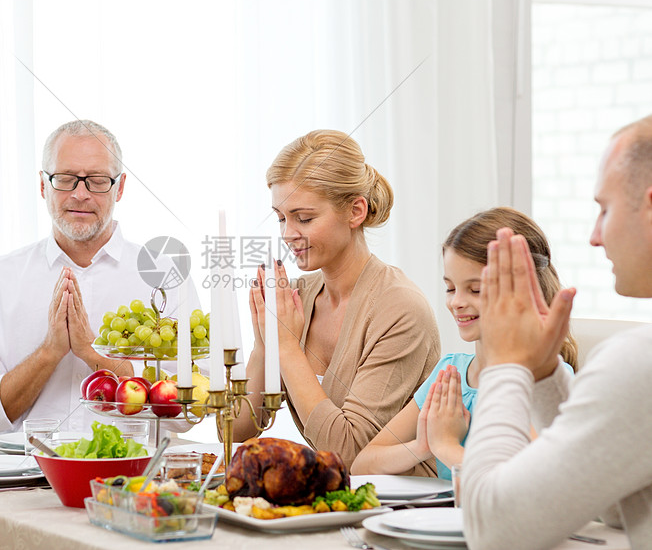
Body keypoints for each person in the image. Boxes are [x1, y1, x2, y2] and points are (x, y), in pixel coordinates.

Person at [462, 115, 652, 548]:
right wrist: (545, 376)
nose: (594, 236)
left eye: (605, 209)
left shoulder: (640, 359)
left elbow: (493, 531)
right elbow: (613, 504)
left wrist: (506, 363)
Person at [0, 119, 198, 439]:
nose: (80, 194)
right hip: (25, 480)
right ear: (42, 185)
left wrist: (93, 353)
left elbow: (187, 411)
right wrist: (49, 352)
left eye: (98, 180)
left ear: (120, 187)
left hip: (134, 479)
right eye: (65, 179)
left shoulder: (165, 277)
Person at [232, 129, 441, 468]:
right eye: (281, 218)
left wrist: (286, 347)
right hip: (334, 501)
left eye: (305, 218)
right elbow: (238, 429)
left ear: (355, 211)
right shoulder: (296, 297)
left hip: (402, 508)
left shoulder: (400, 309)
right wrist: (263, 344)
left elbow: (351, 453)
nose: (287, 234)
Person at [351, 207, 577, 479]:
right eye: (450, 288)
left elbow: (521, 481)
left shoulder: (544, 382)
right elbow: (362, 465)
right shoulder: (451, 373)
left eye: (476, 290)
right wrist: (422, 447)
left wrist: (445, 446)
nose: (457, 302)